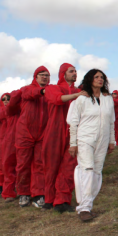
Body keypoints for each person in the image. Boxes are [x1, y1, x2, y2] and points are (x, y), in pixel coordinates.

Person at [67, 69, 116, 222]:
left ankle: (86, 203)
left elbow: (111, 122)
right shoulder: (82, 99)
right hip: (85, 139)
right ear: (90, 79)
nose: (100, 79)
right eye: (96, 77)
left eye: (102, 77)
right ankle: (84, 208)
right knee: (86, 169)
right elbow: (73, 122)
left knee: (96, 171)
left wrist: (111, 140)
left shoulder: (108, 99)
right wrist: (73, 143)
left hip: (103, 139)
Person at [41, 63, 82, 212]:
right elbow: (56, 99)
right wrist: (75, 96)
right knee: (51, 166)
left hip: (73, 132)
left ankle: (62, 201)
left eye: (76, 71)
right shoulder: (53, 88)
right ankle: (49, 199)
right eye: (71, 71)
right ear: (63, 73)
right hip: (55, 131)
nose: (75, 74)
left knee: (69, 166)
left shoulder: (80, 91)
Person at [15, 66, 51, 208]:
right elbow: (30, 94)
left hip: (42, 133)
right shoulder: (27, 89)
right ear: (35, 77)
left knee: (40, 164)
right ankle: (23, 192)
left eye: (47, 75)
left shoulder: (50, 91)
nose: (44, 77)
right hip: (25, 132)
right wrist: (43, 91)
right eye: (41, 75)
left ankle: (38, 194)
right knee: (23, 164)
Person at [1, 89, 22, 202]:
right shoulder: (6, 111)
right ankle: (8, 192)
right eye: (3, 99)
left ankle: (21, 190)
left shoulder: (21, 109)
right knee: (8, 166)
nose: (6, 101)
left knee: (22, 166)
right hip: (9, 141)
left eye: (8, 99)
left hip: (22, 138)